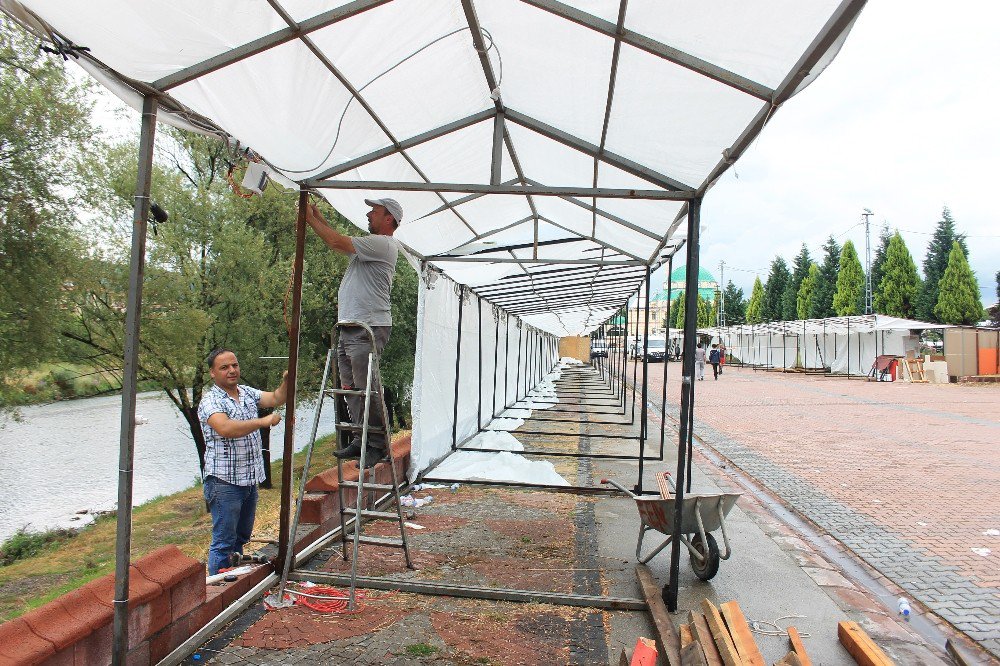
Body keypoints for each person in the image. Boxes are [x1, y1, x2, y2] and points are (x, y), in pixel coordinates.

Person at [304, 197, 401, 469]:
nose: (369, 214)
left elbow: (335, 241)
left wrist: (308, 218)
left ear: (389, 219)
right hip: (351, 326)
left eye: (375, 211)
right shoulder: (369, 248)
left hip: (367, 325)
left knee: (366, 388)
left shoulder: (383, 244)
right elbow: (336, 238)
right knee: (351, 388)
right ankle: (361, 439)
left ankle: (378, 446)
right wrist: (317, 215)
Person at [198, 348, 287, 575]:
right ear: (212, 373)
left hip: (248, 480)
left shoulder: (246, 393)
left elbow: (276, 397)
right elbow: (225, 427)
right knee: (224, 541)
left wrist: (287, 381)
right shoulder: (211, 400)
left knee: (241, 537)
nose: (231, 371)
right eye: (224, 367)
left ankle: (232, 580)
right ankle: (218, 587)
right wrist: (262, 421)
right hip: (224, 482)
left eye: (234, 365)